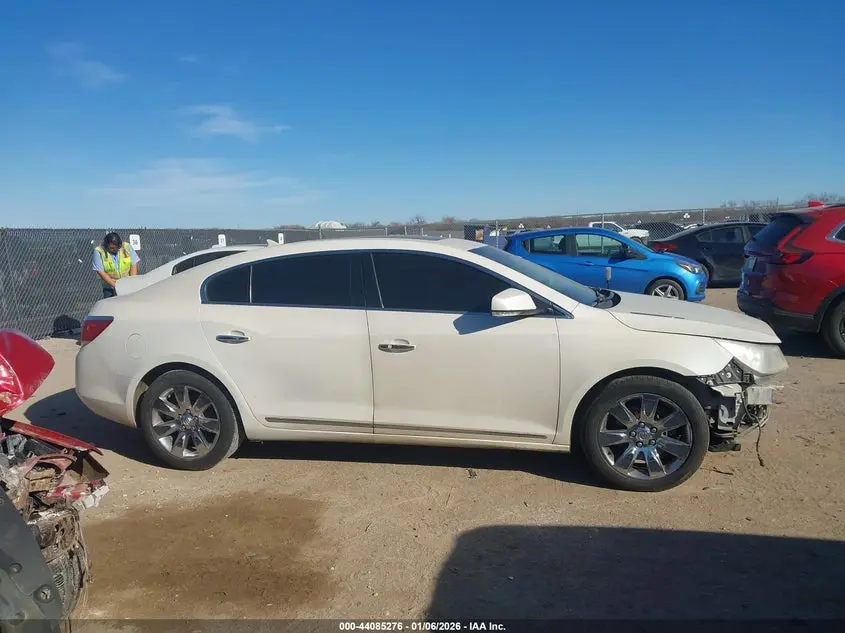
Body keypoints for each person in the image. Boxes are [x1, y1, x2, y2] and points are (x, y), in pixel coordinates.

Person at [92, 232, 140, 298]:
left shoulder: (126, 247)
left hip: (127, 285)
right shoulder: (99, 251)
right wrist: (116, 286)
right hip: (110, 287)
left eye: (117, 247)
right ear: (106, 245)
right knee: (111, 304)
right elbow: (100, 271)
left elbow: (134, 264)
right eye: (112, 248)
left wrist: (132, 282)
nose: (115, 250)